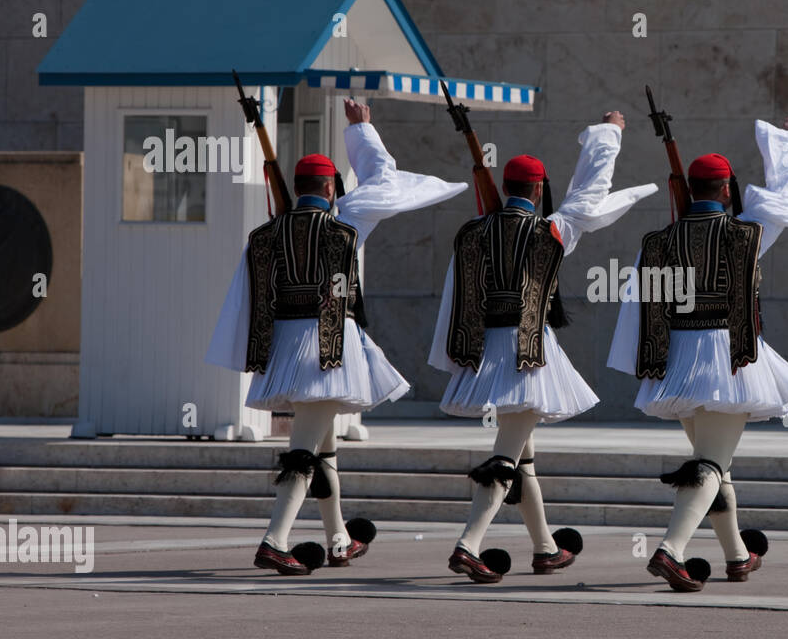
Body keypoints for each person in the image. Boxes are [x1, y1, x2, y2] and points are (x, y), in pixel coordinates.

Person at [207, 97, 467, 574]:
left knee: (323, 445)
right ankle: (274, 539)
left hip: (284, 346)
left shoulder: (265, 235)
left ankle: (339, 539)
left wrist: (254, 354)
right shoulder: (347, 218)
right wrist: (361, 131)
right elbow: (386, 181)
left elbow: (247, 301)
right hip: (329, 349)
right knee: (303, 450)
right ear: (330, 187)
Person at [428, 111, 656, 583]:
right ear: (536, 191)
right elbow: (589, 193)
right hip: (528, 352)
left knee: (522, 453)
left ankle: (545, 548)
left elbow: (456, 298)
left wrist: (453, 356)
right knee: (507, 455)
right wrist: (610, 132)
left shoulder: (471, 233)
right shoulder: (552, 230)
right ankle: (469, 544)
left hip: (484, 349)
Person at [607, 116, 788, 591]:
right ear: (728, 190)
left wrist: (645, 366)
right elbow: (787, 199)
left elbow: (641, 307)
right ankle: (671, 550)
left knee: (716, 462)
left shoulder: (658, 243)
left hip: (677, 363)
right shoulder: (749, 233)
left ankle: (737, 554)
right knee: (709, 463)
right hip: (729, 359)